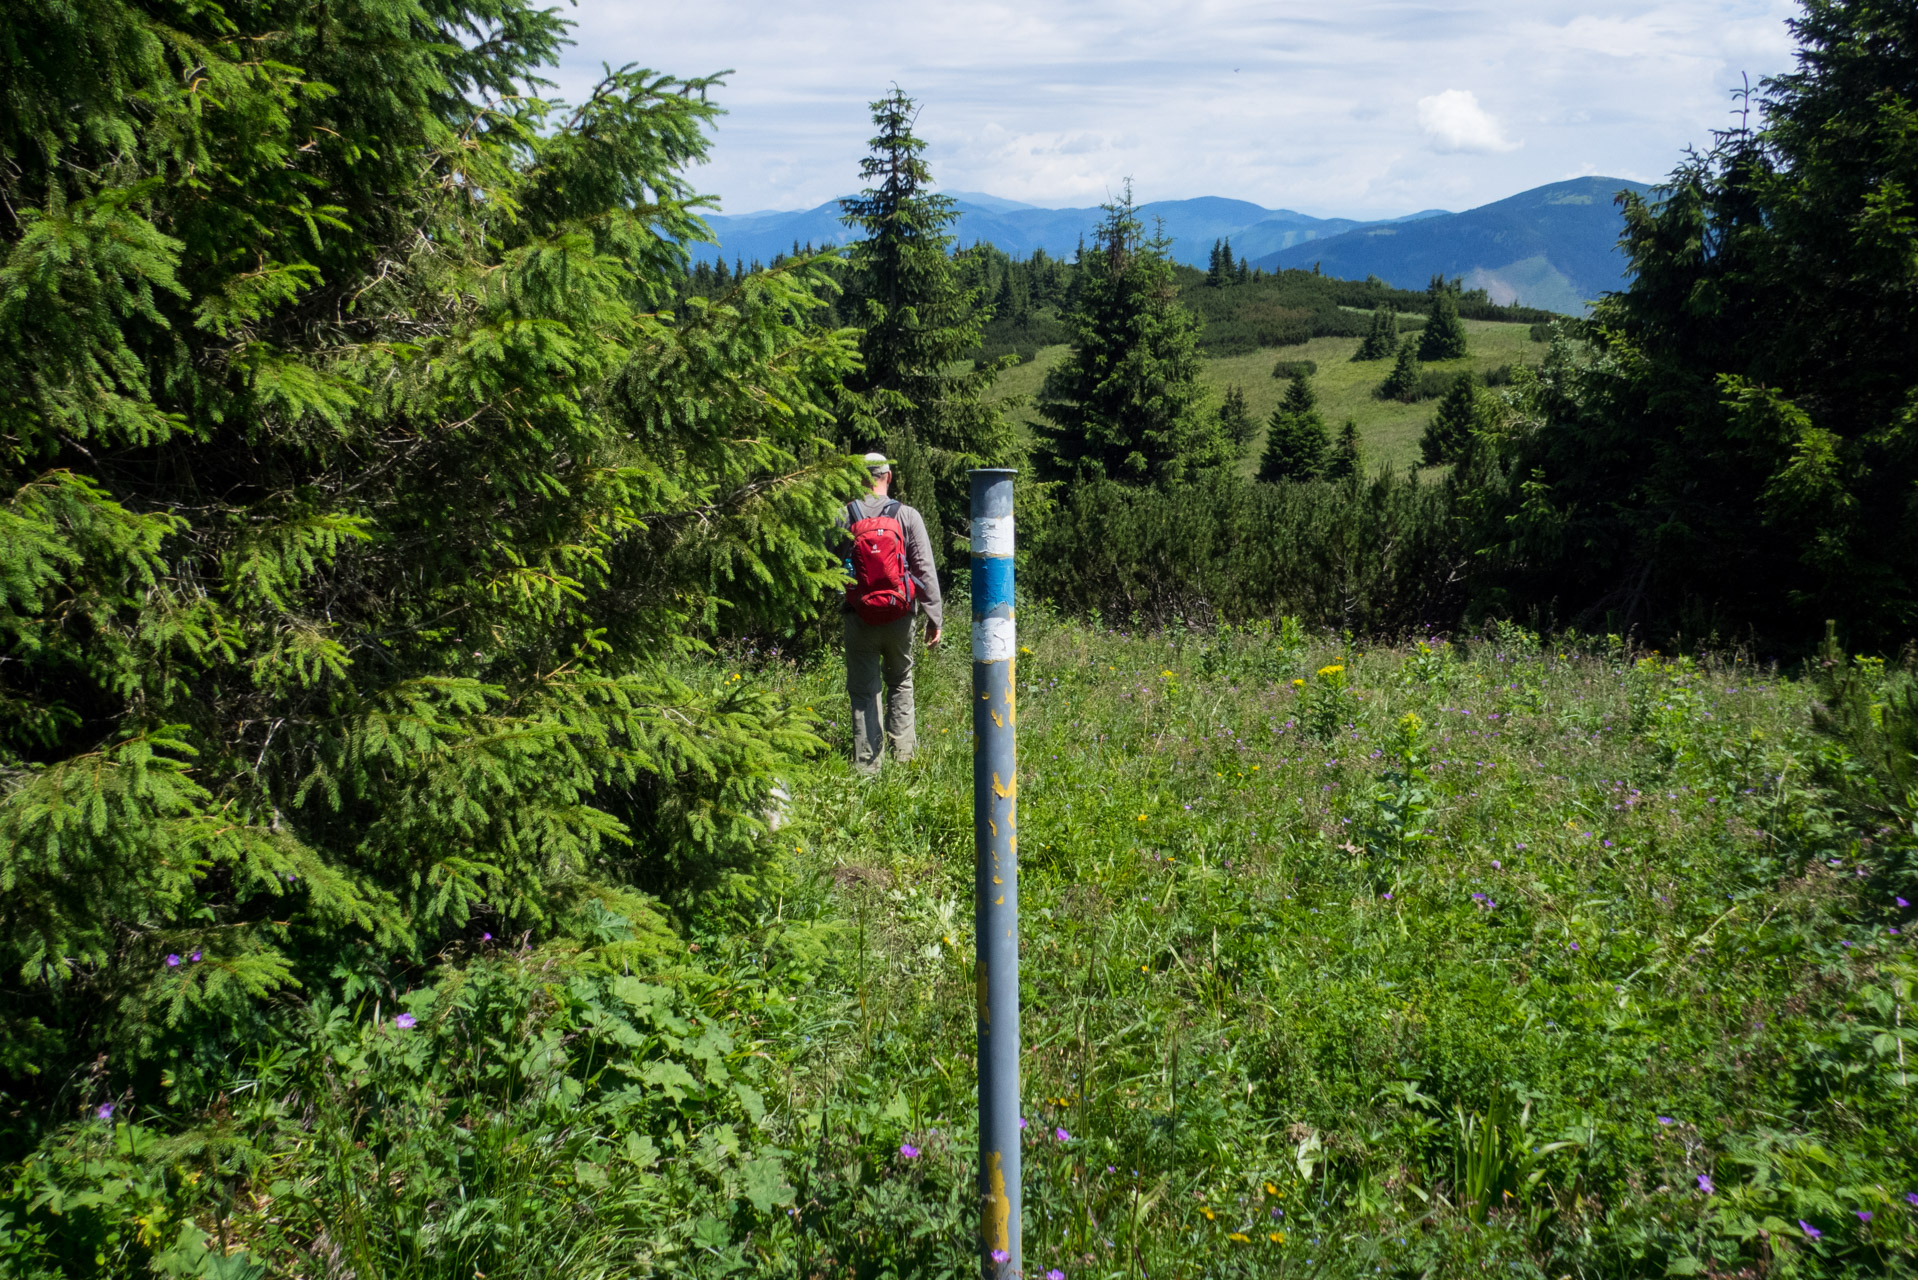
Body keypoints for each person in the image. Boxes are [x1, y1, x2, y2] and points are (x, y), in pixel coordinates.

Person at [838, 453, 942, 772]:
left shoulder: (844, 516)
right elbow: (924, 570)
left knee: (864, 689)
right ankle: (904, 759)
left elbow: (828, 568)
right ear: (889, 476)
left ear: (859, 478)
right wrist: (933, 616)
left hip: (859, 616)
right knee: (900, 681)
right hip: (900, 616)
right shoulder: (907, 516)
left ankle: (868, 769)